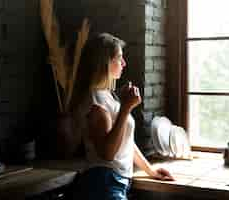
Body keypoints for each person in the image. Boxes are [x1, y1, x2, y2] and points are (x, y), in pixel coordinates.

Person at [71, 33, 174, 200]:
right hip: (104, 184)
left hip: (115, 182)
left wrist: (151, 171)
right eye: (119, 58)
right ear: (105, 63)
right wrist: (126, 108)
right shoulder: (96, 103)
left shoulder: (108, 96)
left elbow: (125, 142)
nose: (124, 63)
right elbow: (108, 153)